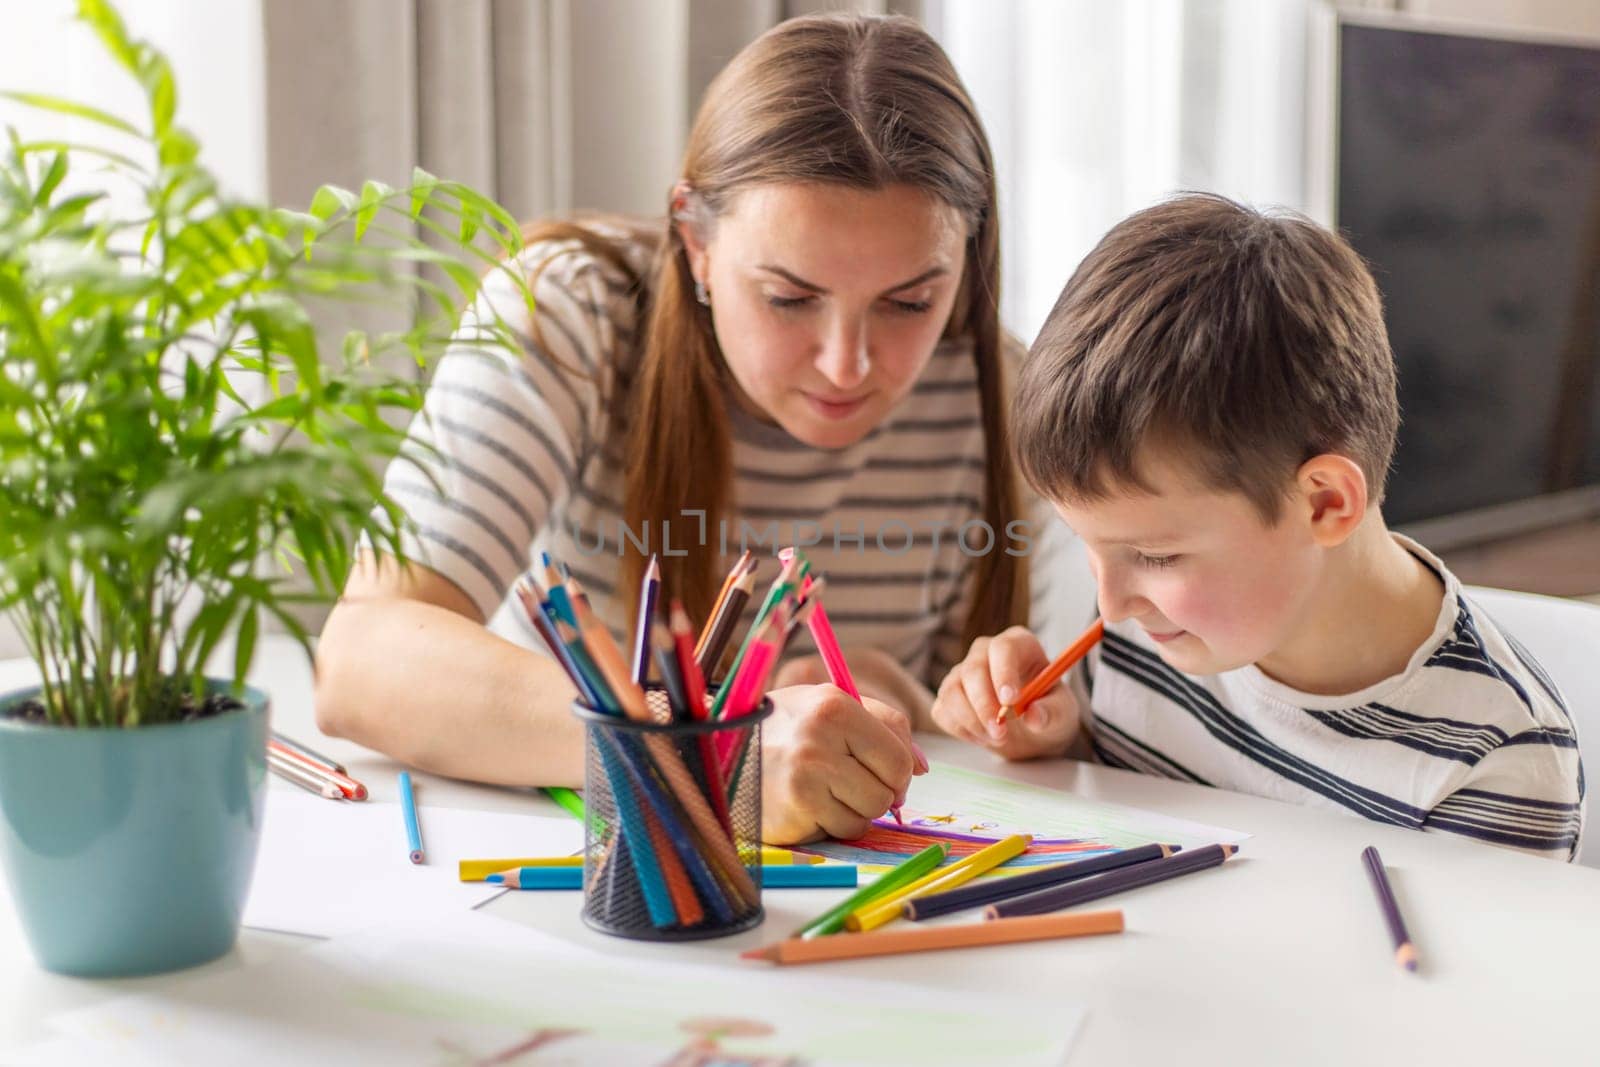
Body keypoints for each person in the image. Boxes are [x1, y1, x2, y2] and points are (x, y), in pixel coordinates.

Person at [315, 13, 1056, 845]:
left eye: (911, 301)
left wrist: (964, 707)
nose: (847, 365)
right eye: (788, 297)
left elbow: (1075, 710)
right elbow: (362, 659)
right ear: (695, 241)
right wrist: (703, 747)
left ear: (972, 252)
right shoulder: (571, 312)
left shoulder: (1003, 384)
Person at [932, 193, 1584, 860]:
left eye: (1155, 556)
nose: (1110, 605)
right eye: (1090, 548)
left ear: (1325, 503)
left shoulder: (1495, 762)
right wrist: (1060, 743)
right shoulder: (1142, 645)